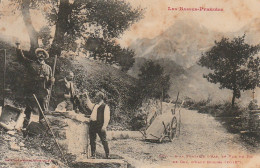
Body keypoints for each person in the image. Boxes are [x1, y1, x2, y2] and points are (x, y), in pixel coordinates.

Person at [16, 43, 55, 129]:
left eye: (43, 54)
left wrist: (52, 80)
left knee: (43, 111)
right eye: (39, 53)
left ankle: (41, 129)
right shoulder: (31, 64)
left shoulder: (48, 68)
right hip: (32, 91)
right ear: (37, 55)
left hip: (43, 92)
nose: (41, 55)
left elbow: (49, 82)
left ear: (45, 56)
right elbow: (21, 58)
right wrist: (18, 47)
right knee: (28, 109)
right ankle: (25, 127)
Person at [84, 91, 110, 159]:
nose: (96, 97)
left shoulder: (105, 106)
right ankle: (93, 155)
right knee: (92, 140)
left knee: (104, 140)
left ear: (101, 97)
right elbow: (89, 105)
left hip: (100, 125)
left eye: (97, 96)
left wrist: (104, 126)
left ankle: (107, 154)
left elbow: (107, 117)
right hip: (92, 124)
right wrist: (86, 96)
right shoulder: (95, 105)